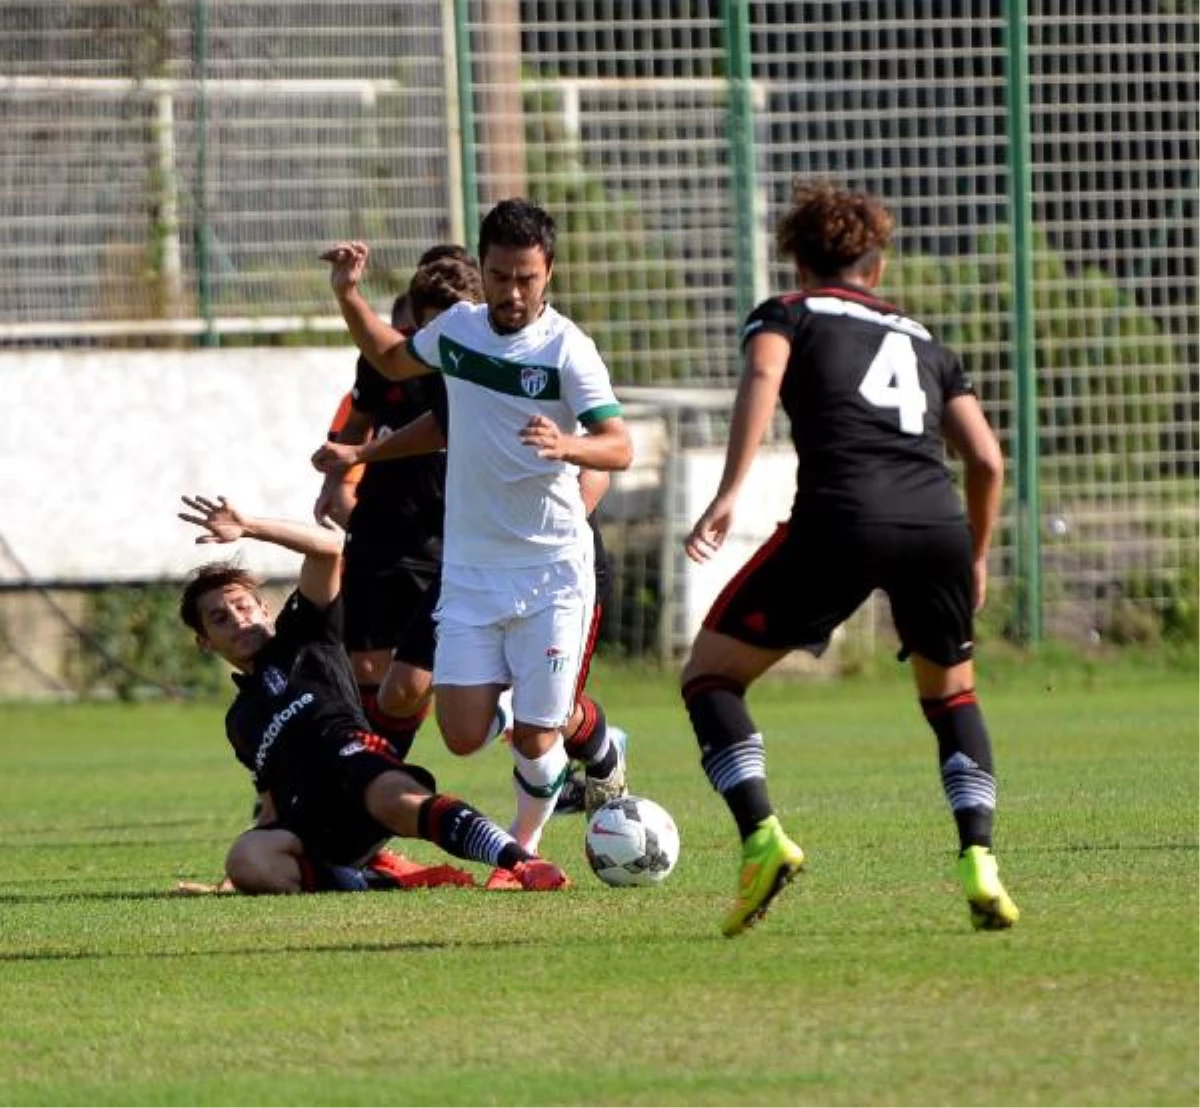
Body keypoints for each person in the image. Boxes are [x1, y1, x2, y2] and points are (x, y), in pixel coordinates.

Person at [679, 179, 1018, 937]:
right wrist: (978, 555)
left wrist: (731, 489)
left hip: (839, 516)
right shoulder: (925, 339)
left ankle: (763, 838)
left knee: (709, 675)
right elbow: (988, 461)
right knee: (952, 697)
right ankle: (979, 860)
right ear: (879, 266)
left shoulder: (788, 315)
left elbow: (764, 374)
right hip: (937, 523)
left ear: (797, 263)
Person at [321, 198, 633, 886]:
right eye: (501, 276)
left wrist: (567, 442)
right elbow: (390, 358)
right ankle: (537, 711)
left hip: (551, 568)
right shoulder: (459, 332)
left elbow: (619, 446)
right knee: (461, 735)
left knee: (534, 734)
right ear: (483, 270)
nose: (513, 292)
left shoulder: (567, 349)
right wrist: (348, 294)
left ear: (548, 271)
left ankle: (524, 851)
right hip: (469, 571)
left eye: (527, 277)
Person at [176, 493, 570, 894]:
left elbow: (329, 548)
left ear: (263, 608)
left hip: (356, 768)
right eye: (220, 619)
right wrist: (233, 881)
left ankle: (524, 864)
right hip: (310, 821)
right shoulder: (240, 719)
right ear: (206, 642)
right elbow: (271, 807)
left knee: (391, 795)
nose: (238, 622)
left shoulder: (305, 634)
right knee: (247, 859)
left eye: (243, 607)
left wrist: (250, 527)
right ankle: (380, 878)